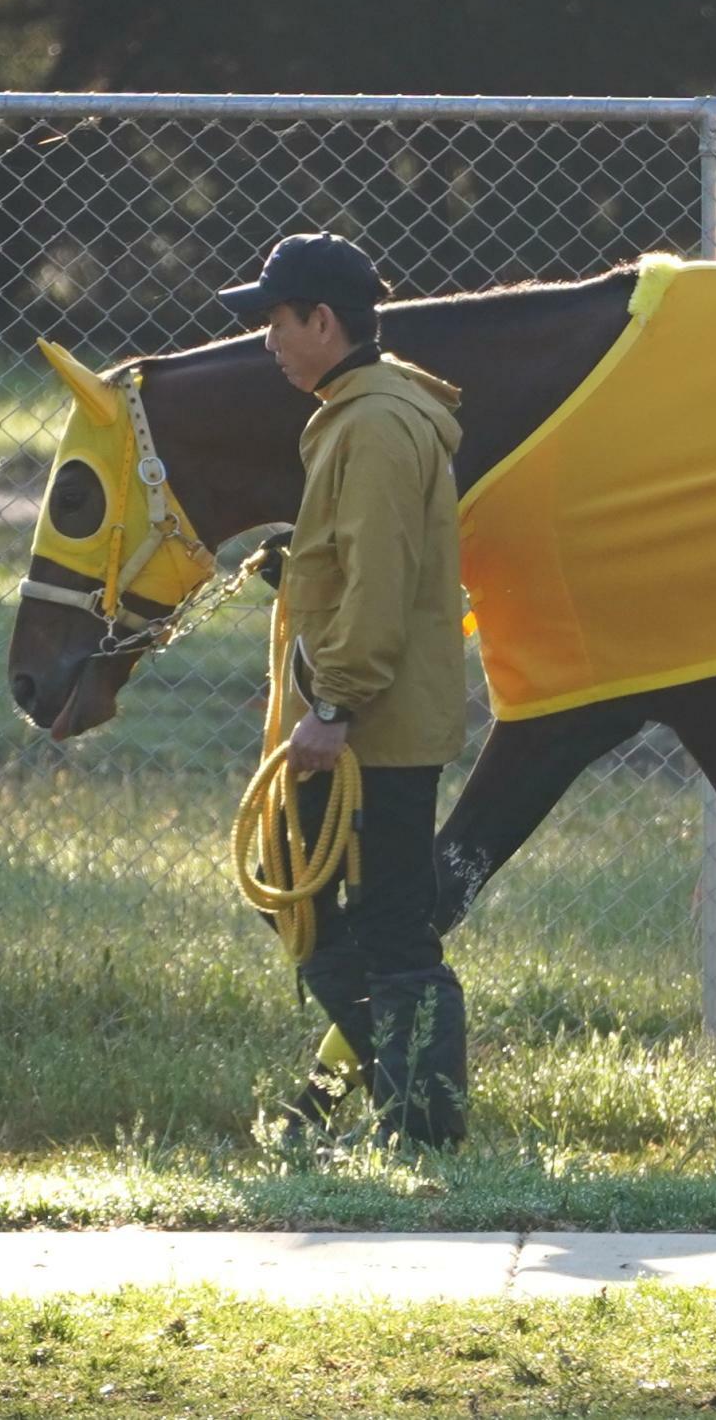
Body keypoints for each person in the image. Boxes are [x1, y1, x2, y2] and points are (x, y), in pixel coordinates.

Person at [216, 232, 469, 1149]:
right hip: (372, 717)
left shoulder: (371, 423)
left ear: (321, 320)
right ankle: (407, 1108)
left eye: (275, 323)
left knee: (391, 927)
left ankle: (427, 1129)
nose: (268, 341)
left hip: (374, 726)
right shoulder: (363, 411)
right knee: (302, 890)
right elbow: (356, 563)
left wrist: (334, 707)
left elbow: (381, 580)